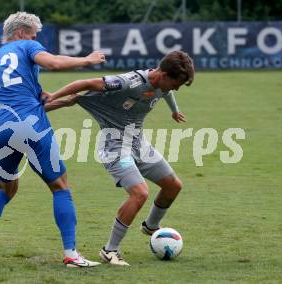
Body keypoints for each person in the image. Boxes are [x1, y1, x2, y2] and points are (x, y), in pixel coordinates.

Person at [0, 11, 105, 268]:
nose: (37, 40)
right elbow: (55, 63)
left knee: (6, 189)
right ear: (21, 33)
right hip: (31, 127)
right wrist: (87, 60)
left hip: (0, 128)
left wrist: (64, 102)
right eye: (34, 35)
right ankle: (71, 254)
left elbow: (29, 101)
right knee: (60, 186)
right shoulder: (26, 46)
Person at [45, 51, 195, 266]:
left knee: (173, 186)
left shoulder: (162, 85)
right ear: (163, 74)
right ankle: (110, 250)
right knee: (140, 193)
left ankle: (151, 226)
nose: (176, 88)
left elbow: (166, 93)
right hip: (114, 147)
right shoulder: (127, 83)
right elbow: (83, 82)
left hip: (139, 145)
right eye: (176, 83)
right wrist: (53, 97)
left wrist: (174, 111)